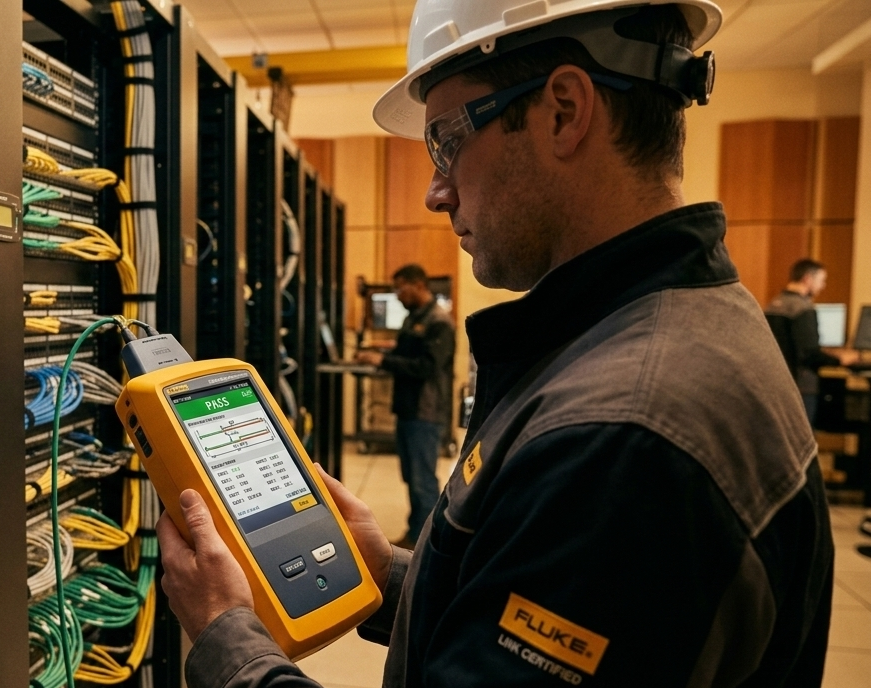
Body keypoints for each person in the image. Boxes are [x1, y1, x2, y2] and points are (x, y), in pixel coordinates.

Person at [156, 1, 835, 686]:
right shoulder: (666, 331)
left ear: (563, 111)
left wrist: (227, 638)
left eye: (447, 141)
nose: (436, 192)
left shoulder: (623, 440)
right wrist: (390, 576)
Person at [354, 265, 454, 546]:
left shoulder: (439, 322)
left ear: (418, 284)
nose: (397, 295)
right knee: (412, 477)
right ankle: (415, 535)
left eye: (400, 288)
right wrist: (383, 350)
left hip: (425, 411)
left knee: (423, 481)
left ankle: (427, 544)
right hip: (408, 409)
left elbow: (427, 367)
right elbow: (408, 351)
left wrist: (382, 361)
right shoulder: (415, 318)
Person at [765, 258, 860, 425]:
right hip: (801, 387)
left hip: (774, 385)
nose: (822, 286)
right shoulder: (803, 309)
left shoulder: (772, 305)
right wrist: (839, 359)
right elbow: (810, 354)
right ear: (808, 279)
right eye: (821, 280)